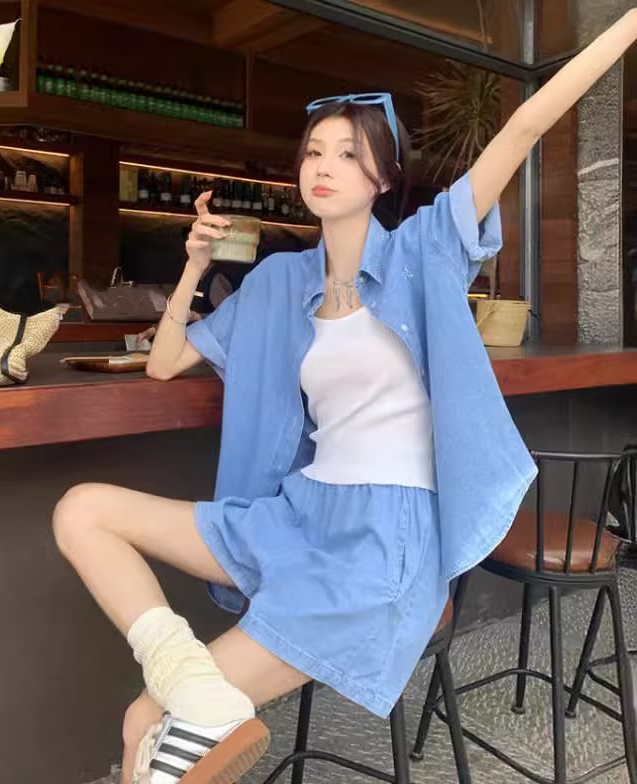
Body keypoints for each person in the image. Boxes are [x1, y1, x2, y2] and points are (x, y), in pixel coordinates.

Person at [52, 11, 637, 783]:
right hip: (296, 517)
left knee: (143, 720)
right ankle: (195, 687)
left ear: (383, 179)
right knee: (83, 511)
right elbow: (164, 365)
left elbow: (526, 125)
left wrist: (626, 25)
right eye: (314, 151)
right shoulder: (278, 281)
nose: (324, 166)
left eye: (349, 154)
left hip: (379, 542)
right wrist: (192, 266)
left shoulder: (423, 250)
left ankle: (195, 704)